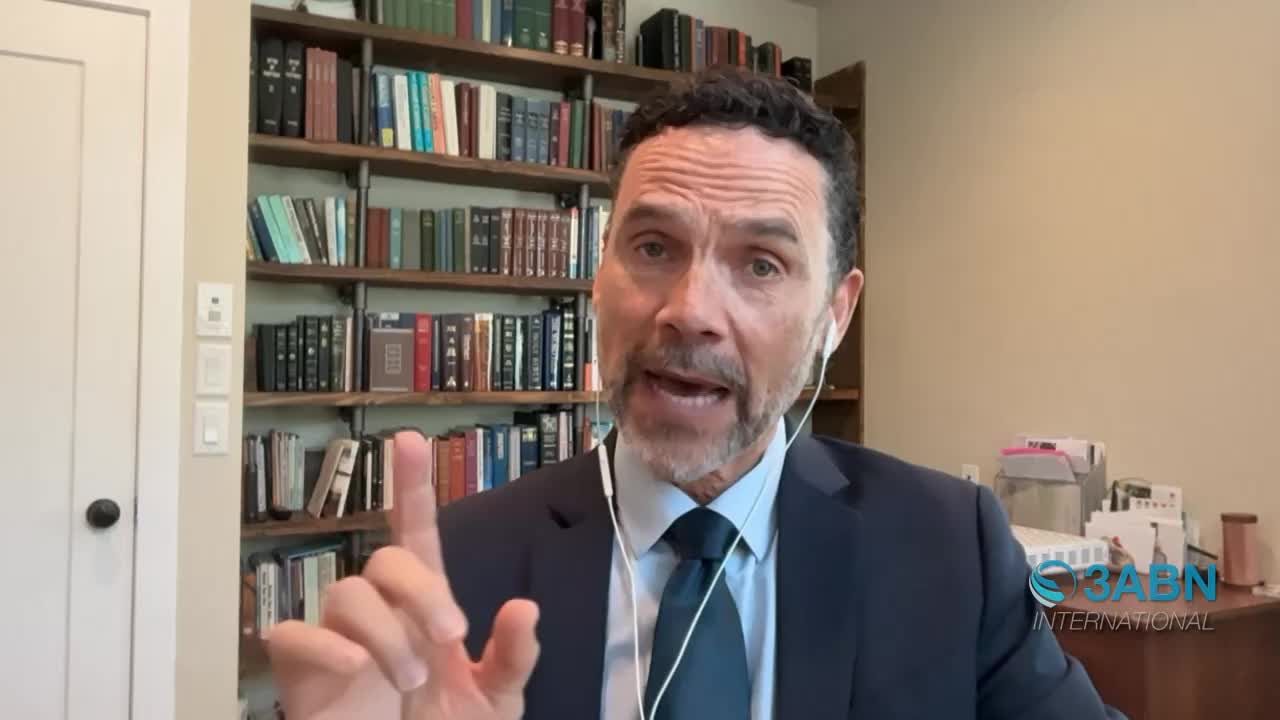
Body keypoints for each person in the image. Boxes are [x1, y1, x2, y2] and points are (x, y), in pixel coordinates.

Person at [267, 68, 1122, 720]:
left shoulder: (949, 547)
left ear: (836, 312)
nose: (689, 312)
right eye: (651, 247)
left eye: (761, 264)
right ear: (596, 279)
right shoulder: (454, 569)